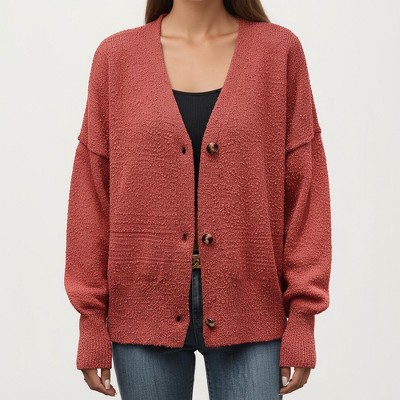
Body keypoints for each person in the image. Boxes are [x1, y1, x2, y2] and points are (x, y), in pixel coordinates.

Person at [64, 1, 332, 399]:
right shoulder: (116, 58)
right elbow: (92, 196)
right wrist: (90, 321)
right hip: (141, 307)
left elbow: (306, 190)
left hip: (252, 306)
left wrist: (304, 317)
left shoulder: (278, 53)